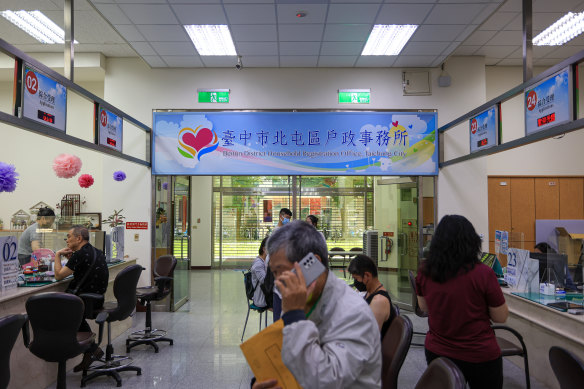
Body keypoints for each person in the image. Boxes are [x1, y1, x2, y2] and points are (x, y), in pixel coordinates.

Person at [253, 221, 381, 389]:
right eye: (274, 273)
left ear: (312, 263)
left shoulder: (354, 313)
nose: (278, 283)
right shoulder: (301, 298)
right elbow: (286, 353)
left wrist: (294, 318)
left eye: (282, 271)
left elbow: (326, 381)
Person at [416, 215, 508, 389]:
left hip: (438, 352)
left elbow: (423, 307)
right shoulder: (483, 274)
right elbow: (500, 317)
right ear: (471, 241)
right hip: (479, 354)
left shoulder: (426, 271)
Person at [55, 225, 109, 372]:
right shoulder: (96, 251)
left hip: (85, 301)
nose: (67, 240)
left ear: (78, 238)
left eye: (69, 237)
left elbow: (59, 275)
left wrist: (57, 255)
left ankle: (91, 349)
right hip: (97, 299)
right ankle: (91, 350)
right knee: (73, 314)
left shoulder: (79, 255)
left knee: (67, 312)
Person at [348, 254, 395, 340]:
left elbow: (369, 339)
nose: (356, 282)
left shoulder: (379, 301)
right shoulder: (369, 292)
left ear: (367, 276)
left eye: (356, 278)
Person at [269, 207, 293, 321]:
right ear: (281, 216)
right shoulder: (277, 231)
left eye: (289, 218)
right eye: (287, 218)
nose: (288, 220)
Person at [251, 237, 268, 308]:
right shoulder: (258, 264)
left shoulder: (264, 261)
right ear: (264, 249)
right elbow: (265, 282)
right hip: (261, 300)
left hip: (265, 296)